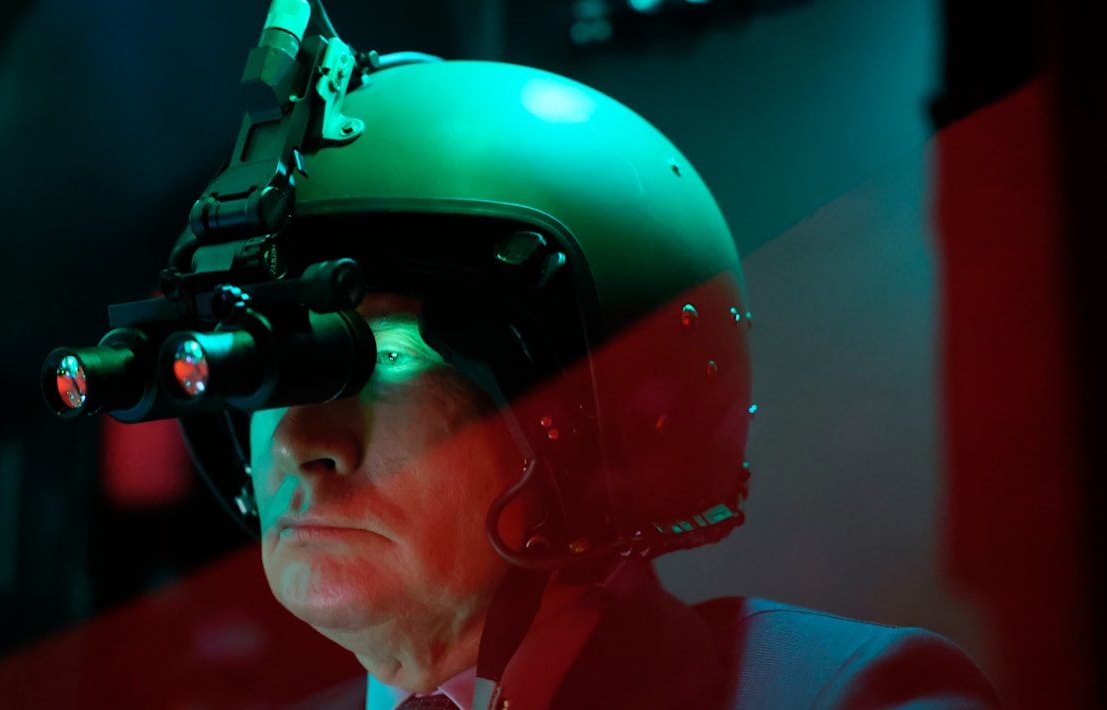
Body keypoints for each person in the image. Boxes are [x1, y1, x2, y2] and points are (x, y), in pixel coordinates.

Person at [176, 55, 1001, 710]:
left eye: (387, 357)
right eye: (279, 364)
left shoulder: (848, 699)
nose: (299, 440)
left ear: (596, 415)